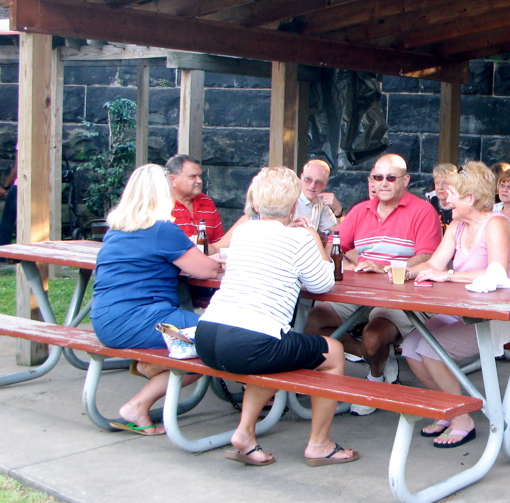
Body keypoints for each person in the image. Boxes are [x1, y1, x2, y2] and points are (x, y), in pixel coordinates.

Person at [194, 167, 357, 467]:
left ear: (256, 204)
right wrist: (310, 235)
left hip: (207, 336)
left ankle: (245, 432)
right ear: (295, 206)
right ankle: (320, 444)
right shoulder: (298, 239)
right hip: (251, 343)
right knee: (333, 352)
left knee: (277, 350)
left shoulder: (243, 232)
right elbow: (324, 283)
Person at [305, 154, 441, 415]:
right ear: (371, 181)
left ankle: (376, 377)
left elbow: (427, 256)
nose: (384, 183)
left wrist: (386, 269)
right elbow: (336, 245)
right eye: (378, 177)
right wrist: (357, 260)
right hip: (358, 292)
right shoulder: (360, 210)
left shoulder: (423, 210)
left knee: (373, 336)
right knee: (313, 322)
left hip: (401, 293)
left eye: (391, 177)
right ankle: (376, 357)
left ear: (406, 180)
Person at [91, 164, 221, 435]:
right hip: (142, 318)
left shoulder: (116, 229)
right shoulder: (161, 229)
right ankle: (138, 405)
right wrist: (217, 260)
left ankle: (150, 367)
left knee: (200, 342)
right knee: (217, 341)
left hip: (104, 319)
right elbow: (206, 270)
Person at [403, 160, 510, 448]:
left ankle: (463, 417)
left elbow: (496, 272)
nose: (445, 196)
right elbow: (434, 263)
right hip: (462, 313)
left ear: (470, 198)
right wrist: (404, 271)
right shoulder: (457, 224)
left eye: (452, 192)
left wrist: (448, 275)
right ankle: (449, 407)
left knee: (430, 349)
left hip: (495, 317)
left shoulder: (496, 224)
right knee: (409, 347)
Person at [167, 154, 226, 253]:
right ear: (173, 180)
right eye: (192, 177)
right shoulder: (160, 206)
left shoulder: (206, 201)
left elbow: (219, 242)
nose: (199, 181)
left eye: (199, 176)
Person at [296, 159, 343, 234]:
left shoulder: (321, 203)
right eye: (308, 179)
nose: (312, 185)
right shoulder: (289, 199)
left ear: (325, 185)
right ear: (301, 178)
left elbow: (340, 232)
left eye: (318, 182)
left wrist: (338, 211)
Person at [0, 148, 18, 251]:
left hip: (20, 185)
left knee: (7, 220)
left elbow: (18, 166)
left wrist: (5, 186)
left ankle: (3, 252)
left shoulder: (24, 140)